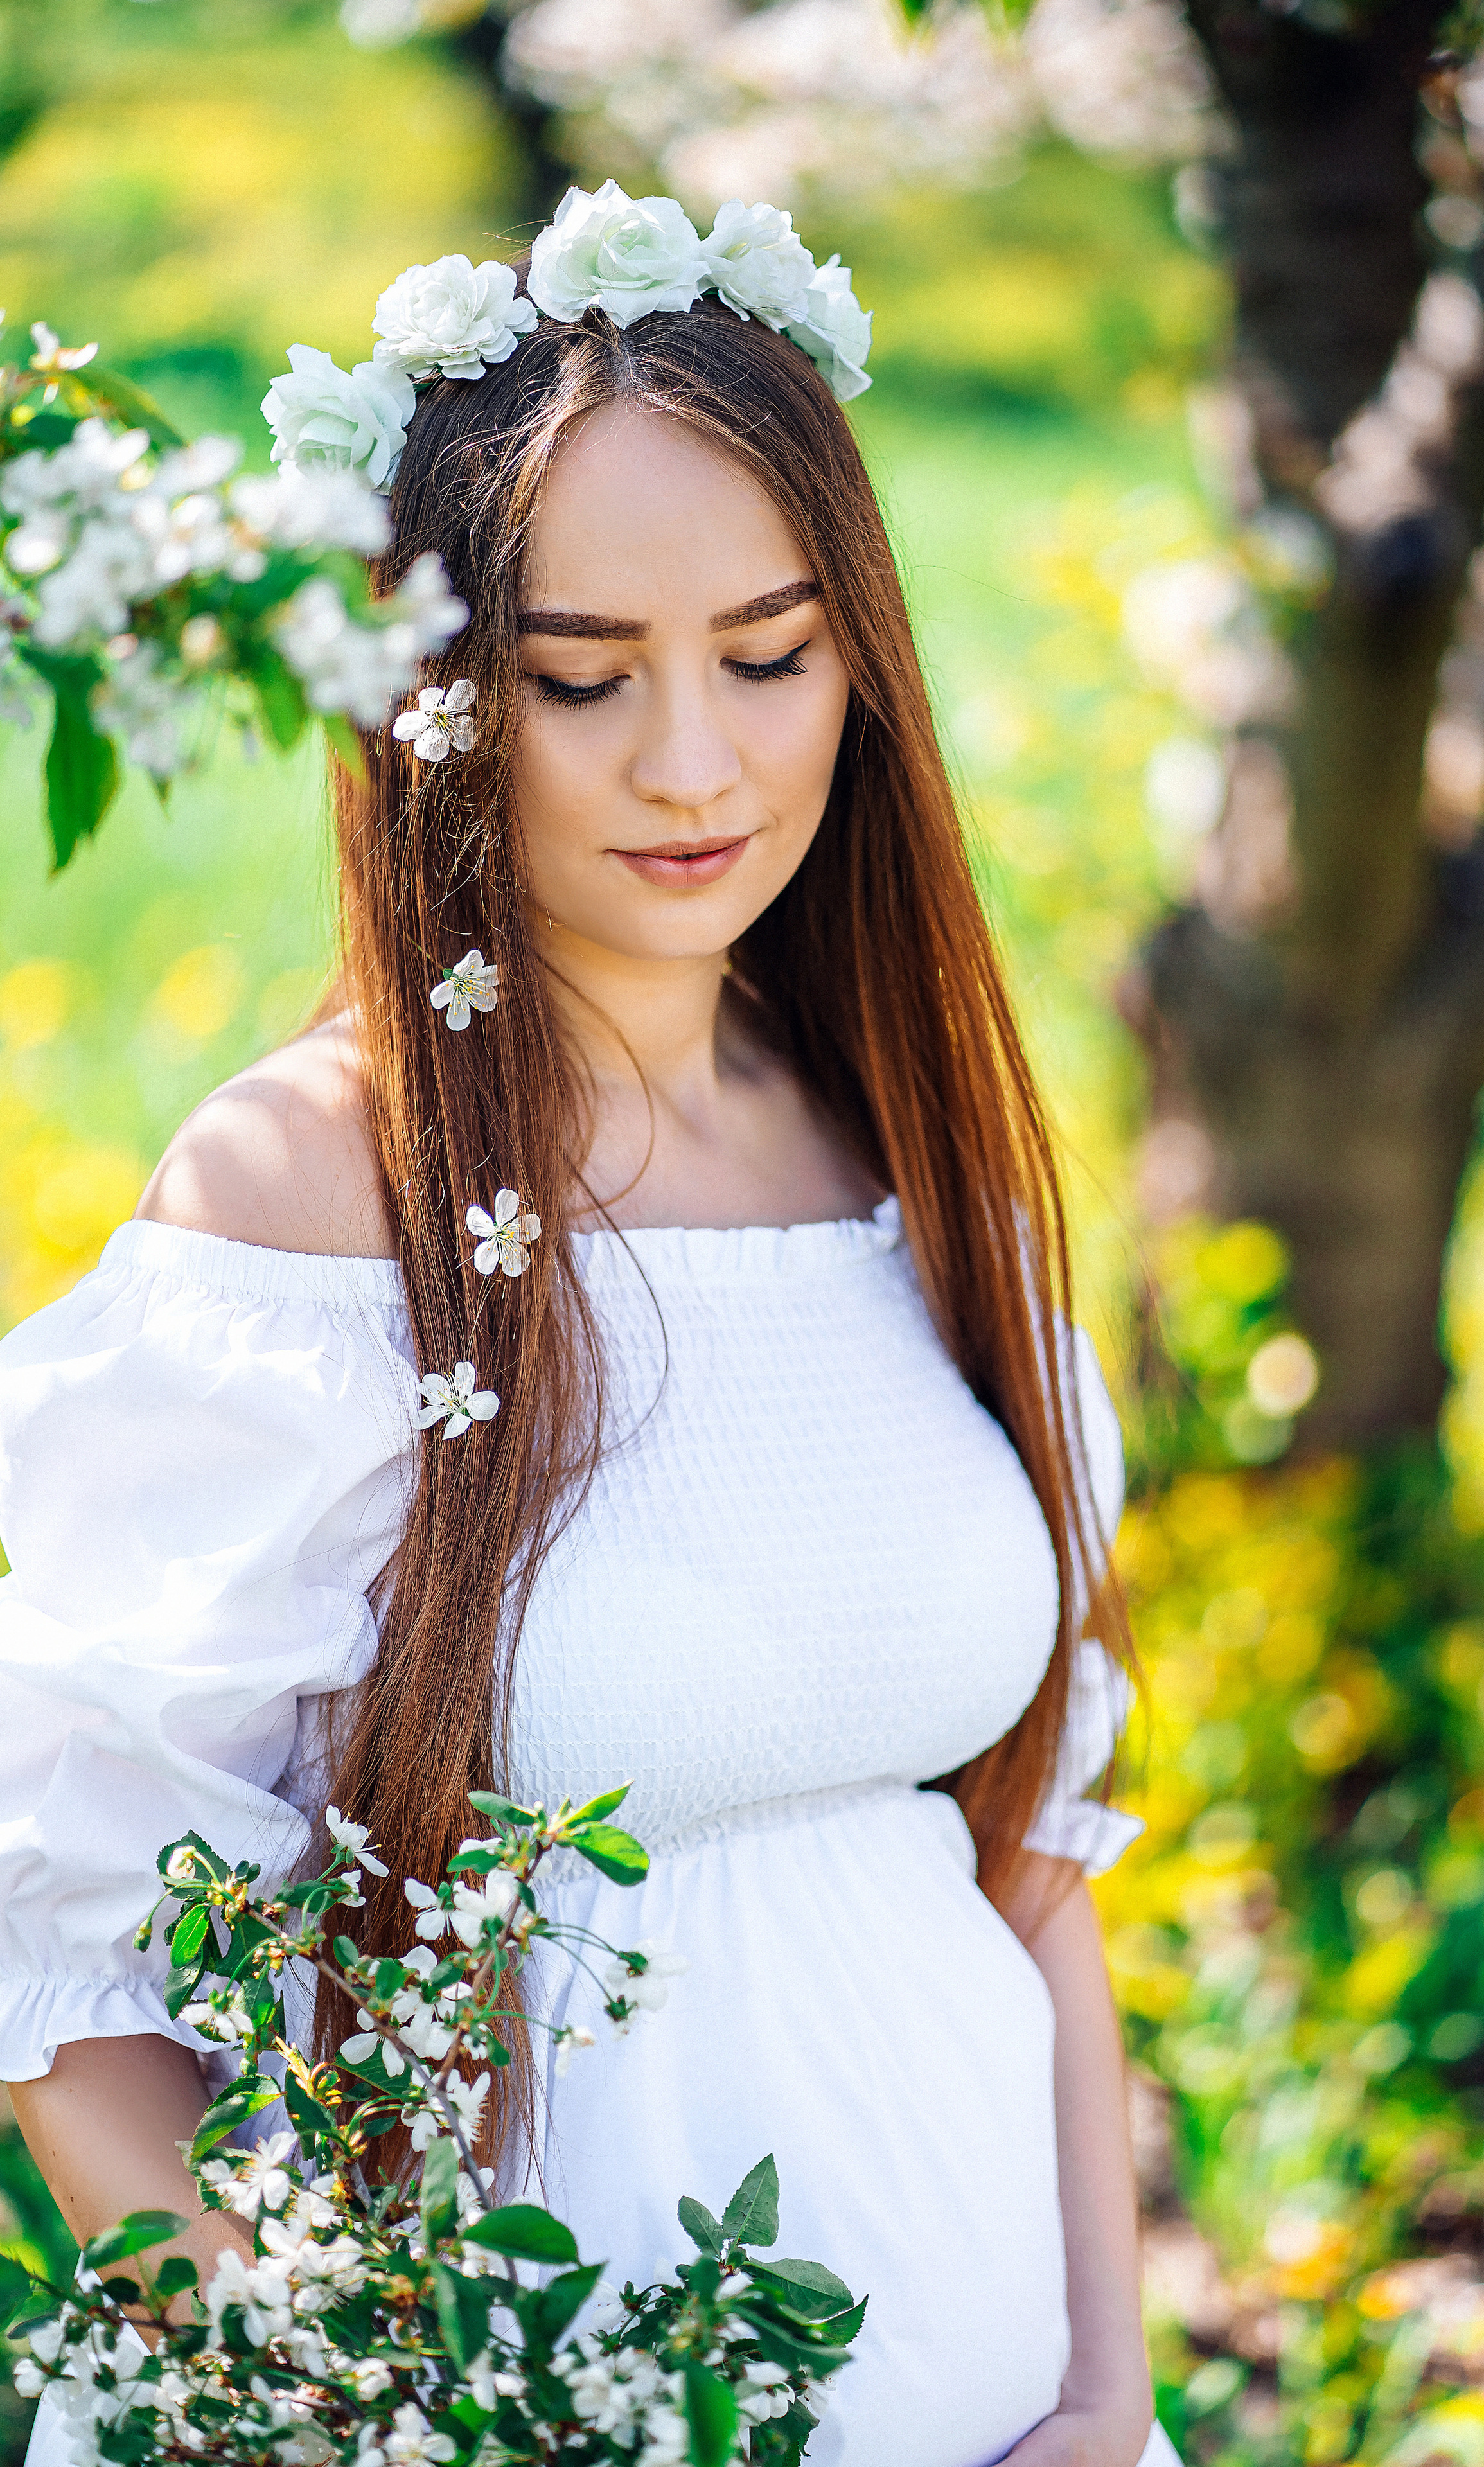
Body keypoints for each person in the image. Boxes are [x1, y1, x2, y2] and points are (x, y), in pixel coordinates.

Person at [0, 188, 1172, 2467]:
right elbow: (69, 1967)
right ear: (434, 691)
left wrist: (1108, 2407)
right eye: (579, 677)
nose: (694, 766)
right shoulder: (312, 1199)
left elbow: (1033, 1880)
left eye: (771, 654)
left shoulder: (913, 1161)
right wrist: (342, 2416)